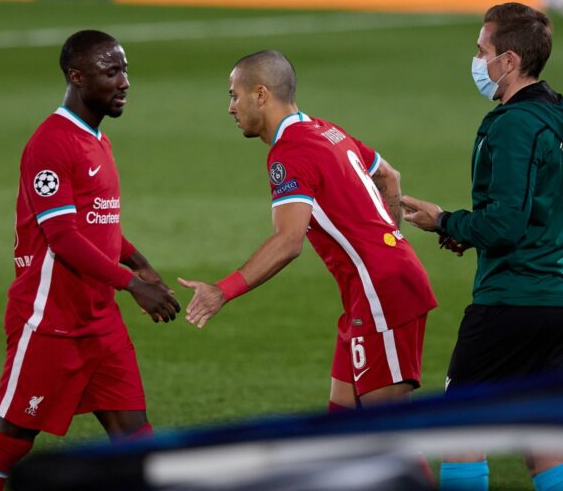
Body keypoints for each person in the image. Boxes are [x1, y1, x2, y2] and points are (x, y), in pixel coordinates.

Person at [0, 30, 180, 491]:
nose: (124, 82)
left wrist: (139, 262)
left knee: (135, 440)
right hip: (49, 323)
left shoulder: (97, 140)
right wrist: (131, 284)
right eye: (112, 71)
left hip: (99, 322)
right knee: (12, 441)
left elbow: (100, 223)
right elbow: (62, 236)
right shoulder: (51, 143)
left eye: (125, 70)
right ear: (76, 77)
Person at [178, 50, 437, 413]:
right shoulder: (324, 129)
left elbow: (288, 241)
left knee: (388, 439)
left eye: (234, 95)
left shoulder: (290, 151)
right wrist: (388, 240)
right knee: (340, 427)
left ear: (261, 95)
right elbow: (388, 176)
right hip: (372, 289)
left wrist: (222, 291)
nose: (231, 107)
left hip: (382, 293)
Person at [402, 3, 563, 491]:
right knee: (543, 442)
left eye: (481, 50)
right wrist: (472, 229)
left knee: (462, 429)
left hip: (514, 302)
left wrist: (447, 220)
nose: (477, 60)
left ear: (508, 61)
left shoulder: (512, 124)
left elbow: (506, 224)